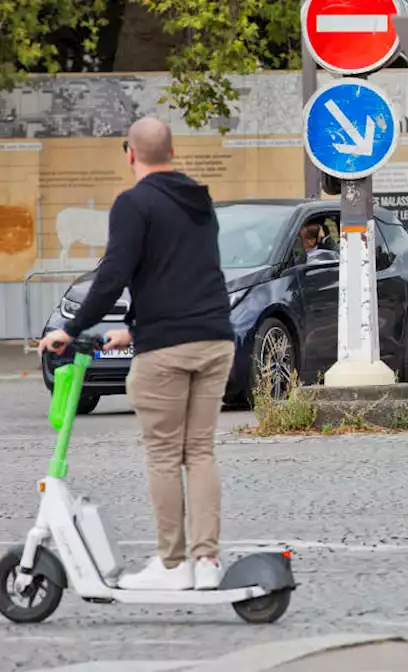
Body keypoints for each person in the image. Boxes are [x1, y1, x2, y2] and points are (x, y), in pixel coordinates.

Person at [38, 116, 236, 591]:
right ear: (172, 151)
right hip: (214, 338)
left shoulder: (133, 203)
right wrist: (132, 327)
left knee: (165, 455)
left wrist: (71, 328)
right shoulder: (198, 199)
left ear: (130, 153)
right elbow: (181, 270)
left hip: (167, 349)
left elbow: (114, 276)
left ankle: (172, 566)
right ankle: (206, 562)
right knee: (201, 451)